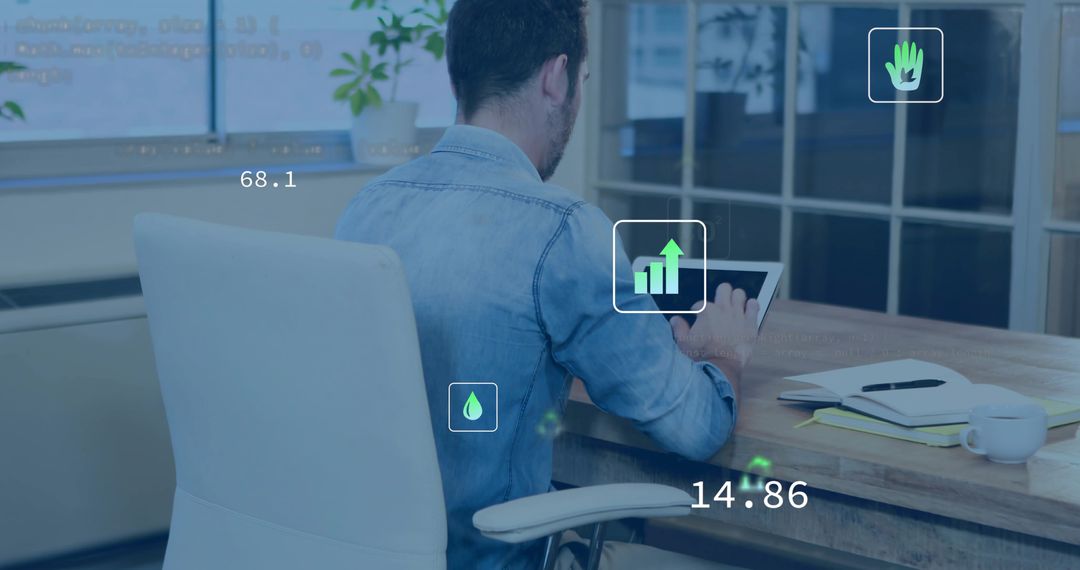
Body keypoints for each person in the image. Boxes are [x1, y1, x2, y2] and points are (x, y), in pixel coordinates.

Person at [334, 1, 759, 568]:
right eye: (582, 80)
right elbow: (697, 427)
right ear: (557, 78)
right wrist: (721, 353)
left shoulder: (367, 208)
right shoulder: (563, 231)